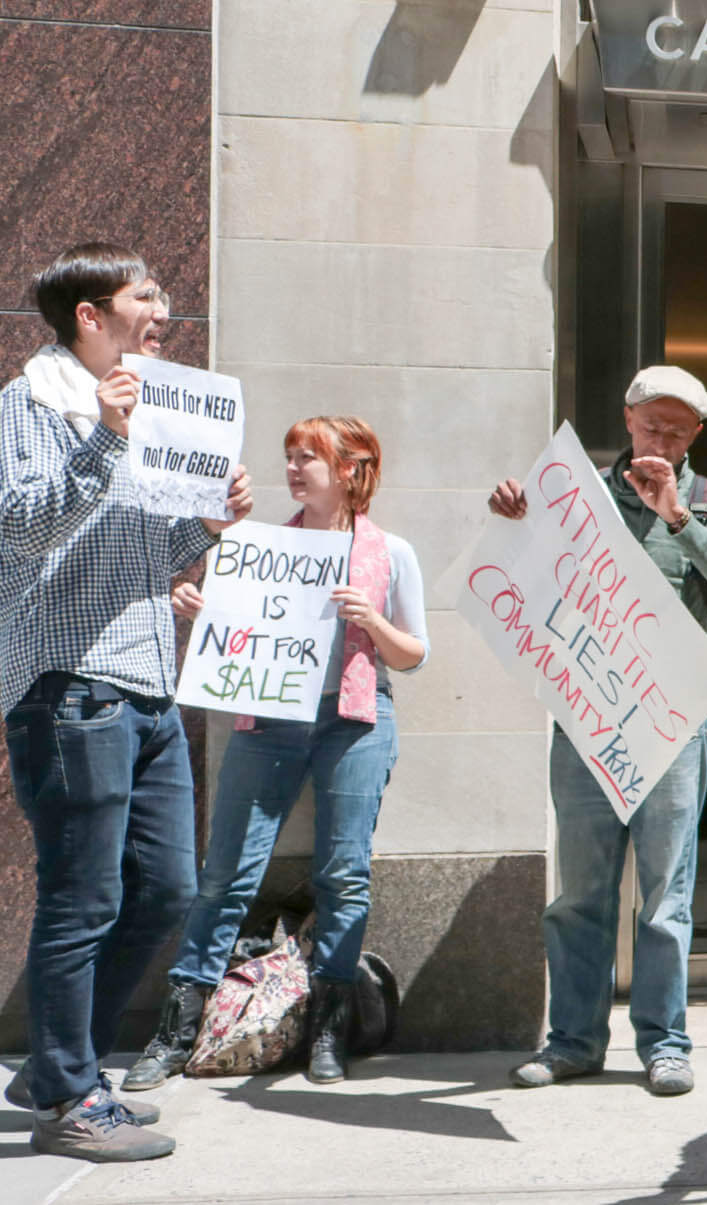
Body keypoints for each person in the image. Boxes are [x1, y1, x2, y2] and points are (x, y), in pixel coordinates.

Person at [0, 243, 252, 1162]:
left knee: (167, 889)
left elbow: (146, 551)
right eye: (147, 296)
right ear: (90, 317)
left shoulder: (147, 415)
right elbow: (23, 526)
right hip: (71, 687)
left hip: (147, 683)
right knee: (83, 897)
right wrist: (106, 437)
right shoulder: (30, 406)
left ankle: (59, 1067)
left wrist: (208, 525)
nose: (164, 310)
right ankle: (69, 1094)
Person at [123, 416, 429, 1091]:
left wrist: (370, 620)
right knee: (227, 872)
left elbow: (414, 653)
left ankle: (329, 1025)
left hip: (356, 719)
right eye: (288, 456)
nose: (292, 468)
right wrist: (200, 610)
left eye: (308, 458)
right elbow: (235, 634)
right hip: (271, 718)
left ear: (351, 469)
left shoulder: (391, 552)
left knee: (344, 874)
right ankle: (177, 1028)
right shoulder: (258, 545)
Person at [492, 366, 707, 1097]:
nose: (661, 438)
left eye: (677, 429)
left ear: (697, 434)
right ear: (627, 418)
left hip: (670, 720)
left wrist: (677, 514)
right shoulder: (573, 496)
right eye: (650, 424)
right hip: (588, 719)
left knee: (666, 894)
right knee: (580, 890)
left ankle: (665, 1042)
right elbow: (520, 572)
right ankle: (573, 1040)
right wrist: (510, 517)